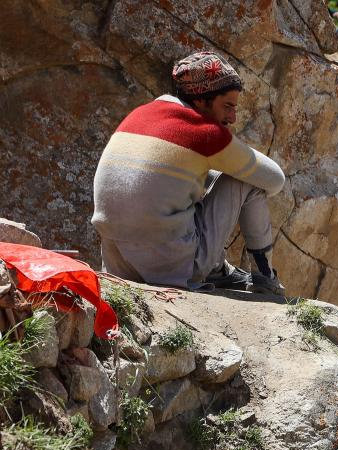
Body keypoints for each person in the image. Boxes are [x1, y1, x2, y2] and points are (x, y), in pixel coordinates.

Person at [92, 51, 286, 295]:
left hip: (117, 266)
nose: (233, 117)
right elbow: (275, 179)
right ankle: (265, 277)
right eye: (227, 106)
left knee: (194, 179)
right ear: (200, 101)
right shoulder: (205, 133)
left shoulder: (139, 114)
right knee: (247, 180)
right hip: (172, 268)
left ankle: (217, 268)